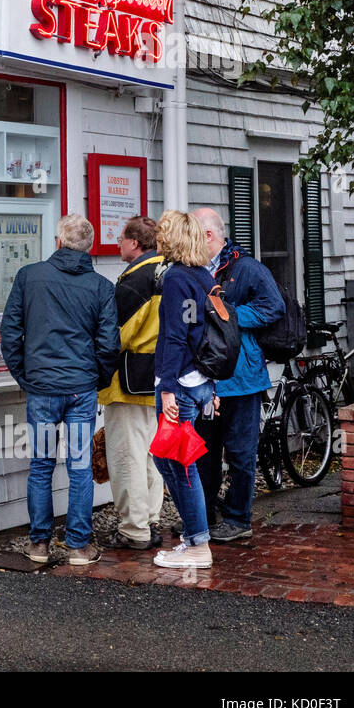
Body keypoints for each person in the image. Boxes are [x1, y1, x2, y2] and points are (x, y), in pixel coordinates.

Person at [2, 213, 120, 566]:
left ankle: (39, 545)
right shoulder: (101, 287)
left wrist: (26, 376)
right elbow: (109, 345)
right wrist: (97, 379)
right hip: (81, 388)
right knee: (80, 465)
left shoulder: (29, 277)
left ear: (58, 241)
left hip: (43, 388)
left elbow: (10, 334)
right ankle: (79, 546)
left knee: (41, 464)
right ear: (90, 247)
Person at [192, 207, 285, 542]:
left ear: (208, 236)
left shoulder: (247, 268)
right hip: (207, 381)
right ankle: (203, 517)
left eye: (193, 233)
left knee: (241, 453)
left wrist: (227, 315)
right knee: (205, 453)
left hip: (242, 379)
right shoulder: (197, 270)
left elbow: (273, 306)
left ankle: (238, 520)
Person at [151, 210, 219, 569]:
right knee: (172, 461)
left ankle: (198, 544)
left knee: (180, 465)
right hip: (200, 382)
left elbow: (176, 336)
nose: (158, 239)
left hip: (180, 384)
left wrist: (167, 388)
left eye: (162, 233)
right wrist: (213, 385)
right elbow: (208, 334)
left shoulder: (178, 278)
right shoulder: (203, 277)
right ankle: (194, 538)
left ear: (173, 238)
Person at [101, 216, 167, 550]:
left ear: (135, 244)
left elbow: (115, 335)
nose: (118, 243)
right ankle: (151, 520)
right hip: (160, 379)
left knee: (127, 457)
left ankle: (134, 529)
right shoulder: (167, 273)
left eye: (122, 238)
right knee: (152, 456)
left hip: (127, 382)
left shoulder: (134, 281)